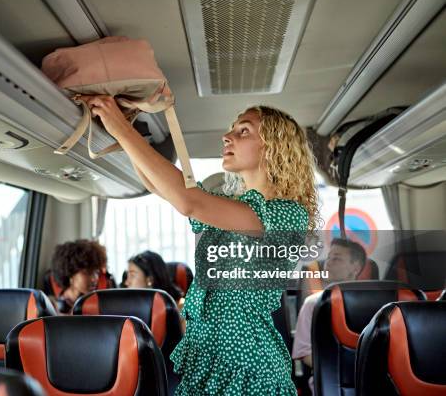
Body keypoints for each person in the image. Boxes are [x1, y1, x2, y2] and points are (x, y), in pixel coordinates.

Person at [79, 95, 318, 396]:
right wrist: (123, 130)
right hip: (207, 354)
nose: (227, 136)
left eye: (243, 130)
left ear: (274, 148)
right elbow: (158, 184)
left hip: (246, 365)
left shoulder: (286, 213)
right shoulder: (231, 207)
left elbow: (187, 201)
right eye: (232, 129)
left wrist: (122, 130)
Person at [291, 238, 367, 394]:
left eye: (337, 258)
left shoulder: (376, 301)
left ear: (356, 267)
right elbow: (304, 353)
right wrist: (345, 367)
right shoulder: (313, 303)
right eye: (329, 257)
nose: (329, 262)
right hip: (331, 382)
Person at [50, 239, 104, 314]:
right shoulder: (53, 309)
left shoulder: (95, 307)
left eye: (96, 272)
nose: (94, 279)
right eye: (88, 273)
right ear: (70, 273)